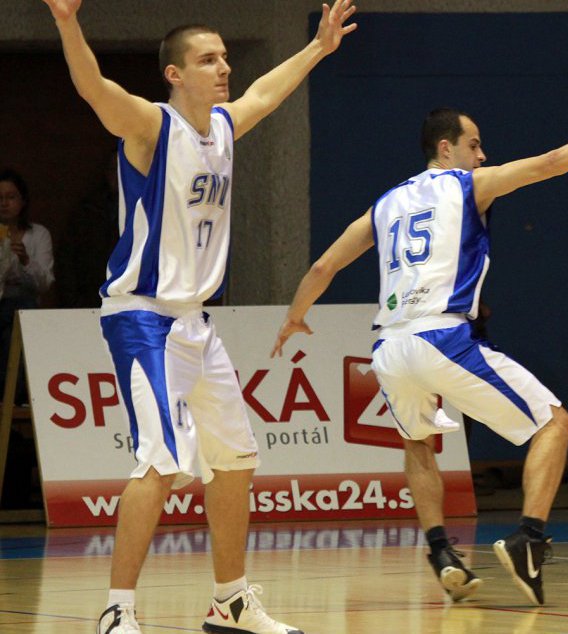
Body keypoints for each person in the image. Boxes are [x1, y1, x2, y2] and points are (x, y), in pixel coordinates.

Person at [41, 1, 357, 633]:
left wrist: (319, 48)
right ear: (174, 74)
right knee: (159, 464)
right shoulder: (150, 128)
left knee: (236, 460)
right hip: (143, 316)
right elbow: (92, 88)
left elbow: (267, 92)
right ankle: (116, 612)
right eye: (208, 59)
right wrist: (68, 23)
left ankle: (231, 601)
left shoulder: (222, 126)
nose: (225, 68)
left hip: (194, 321)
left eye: (225, 56)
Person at [272, 107, 568, 606]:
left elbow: (323, 265)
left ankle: (441, 551)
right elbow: (551, 162)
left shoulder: (386, 203)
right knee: (555, 423)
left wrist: (294, 318)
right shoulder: (467, 185)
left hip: (389, 349)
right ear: (447, 148)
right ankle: (529, 538)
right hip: (440, 337)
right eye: (474, 144)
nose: (482, 155)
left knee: (417, 443)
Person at [0, 169, 55, 403]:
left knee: (19, 313)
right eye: (0, 198)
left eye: (11, 197)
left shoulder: (38, 234)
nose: (4, 204)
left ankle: (17, 395)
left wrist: (25, 262)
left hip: (25, 309)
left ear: (22, 201)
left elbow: (45, 283)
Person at [57, 150, 119, 308]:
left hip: (130, 302)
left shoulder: (145, 211)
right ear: (107, 173)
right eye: (114, 170)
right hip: (88, 300)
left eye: (123, 170)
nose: (118, 176)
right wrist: (72, 301)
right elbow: (67, 258)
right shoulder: (87, 211)